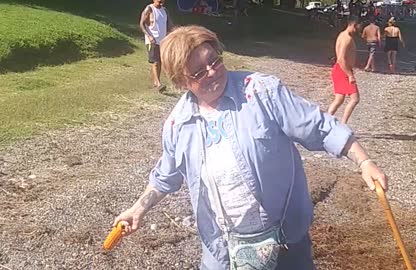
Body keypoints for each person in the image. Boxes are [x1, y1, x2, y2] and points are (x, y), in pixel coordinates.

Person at [112, 25, 388, 270]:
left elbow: (320, 127)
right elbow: (166, 176)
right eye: (198, 72)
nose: (212, 73)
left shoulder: (261, 91)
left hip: (284, 242)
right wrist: (138, 209)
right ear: (182, 81)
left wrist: (364, 162)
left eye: (215, 62)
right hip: (222, 248)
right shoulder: (178, 124)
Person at [328, 16, 360, 125]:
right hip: (342, 70)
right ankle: (343, 124)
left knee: (339, 99)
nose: (357, 30)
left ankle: (327, 122)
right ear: (353, 25)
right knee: (355, 98)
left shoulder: (342, 35)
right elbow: (341, 59)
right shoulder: (347, 38)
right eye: (357, 27)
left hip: (339, 69)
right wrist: (350, 74)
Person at [140, 0, 174, 92]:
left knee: (160, 62)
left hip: (162, 41)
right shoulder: (149, 9)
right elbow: (141, 24)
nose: (161, 1)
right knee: (155, 62)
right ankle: (159, 84)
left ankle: (156, 82)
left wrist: (174, 32)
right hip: (152, 41)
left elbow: (169, 24)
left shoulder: (165, 10)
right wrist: (149, 36)